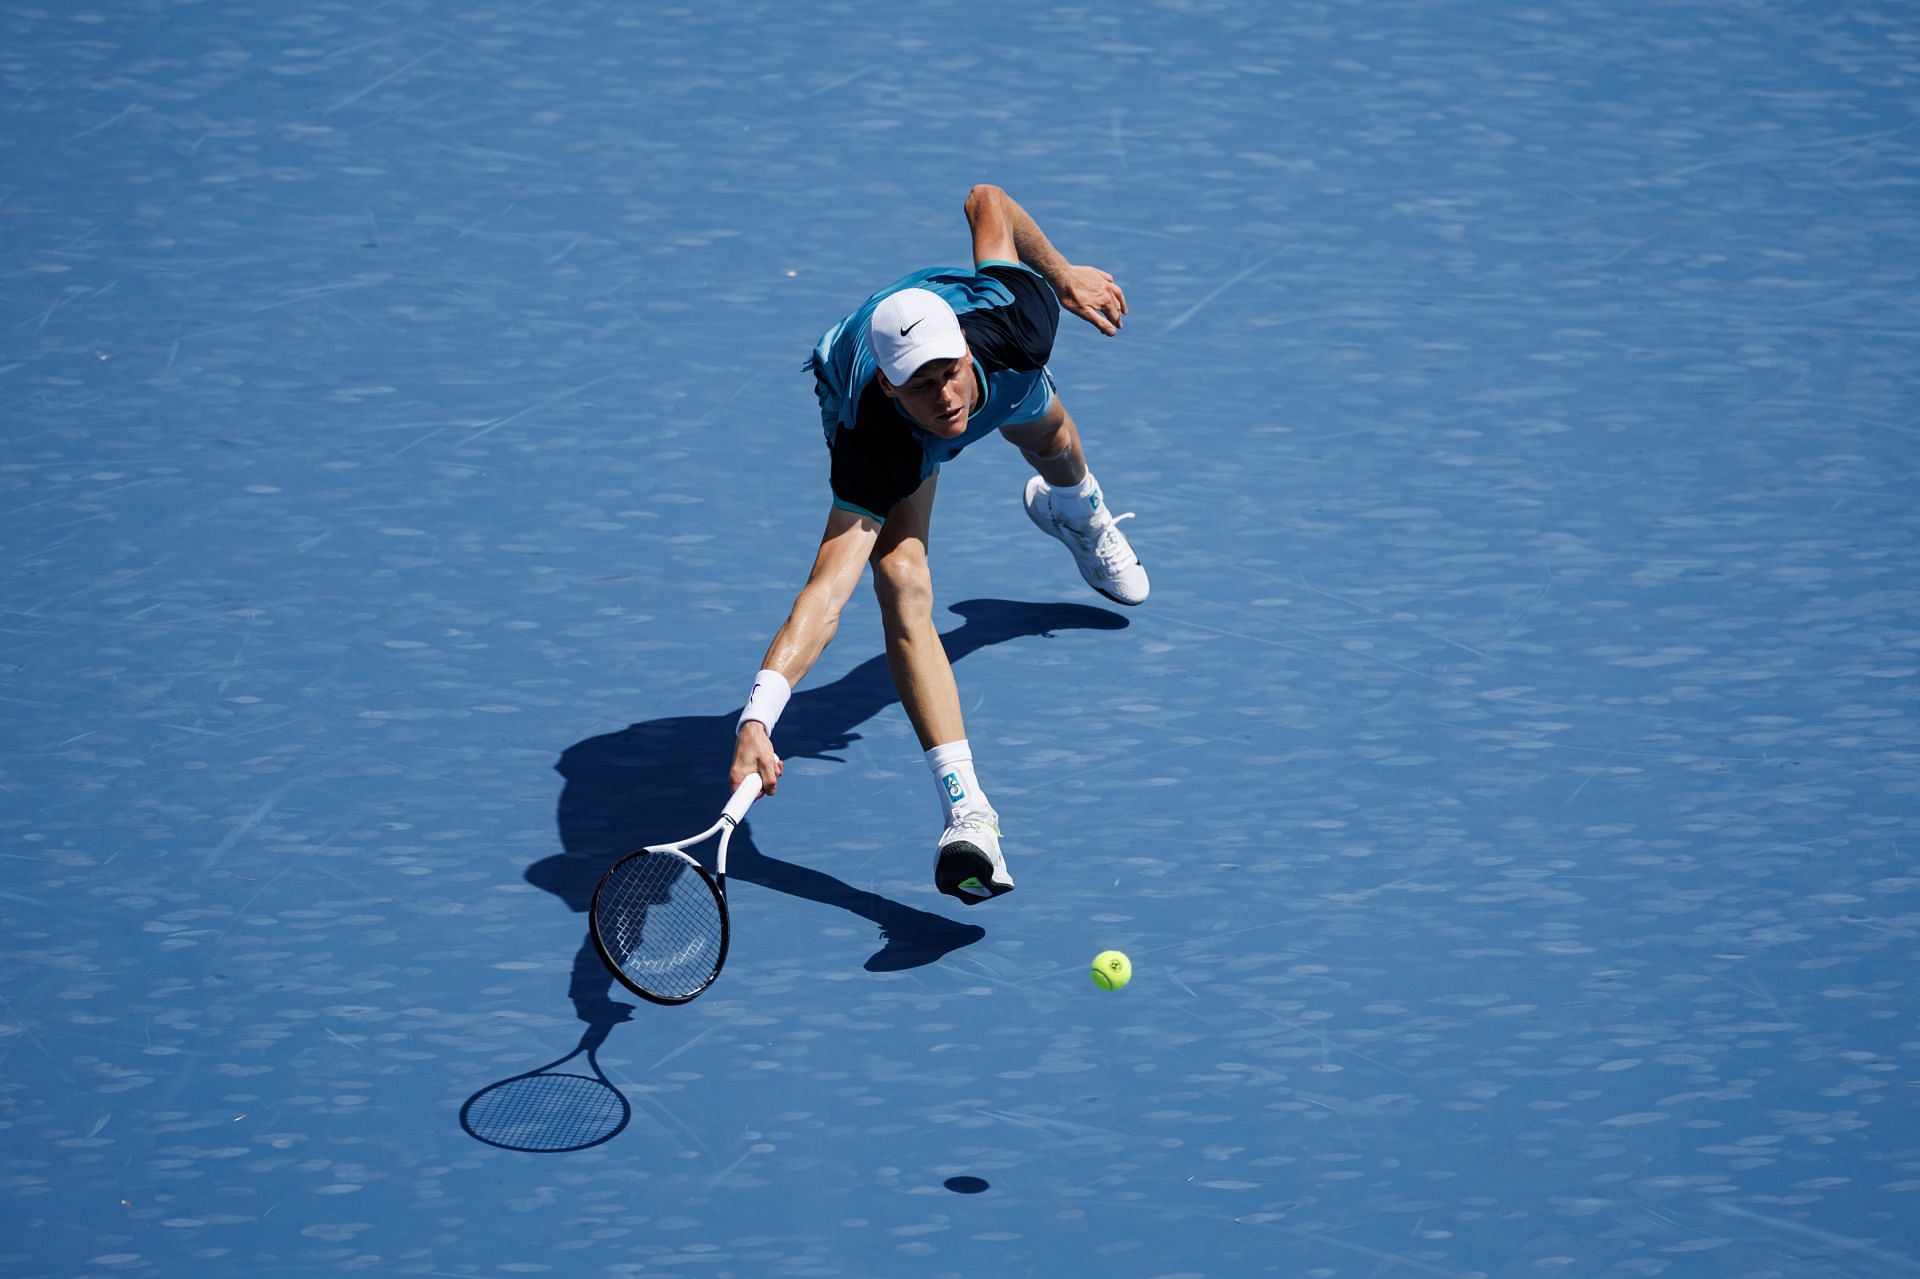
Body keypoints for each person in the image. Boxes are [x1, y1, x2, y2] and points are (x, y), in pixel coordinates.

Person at [727, 183, 1147, 905]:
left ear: (962, 347)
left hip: (1000, 364)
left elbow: (987, 201)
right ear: (893, 393)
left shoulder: (1018, 321)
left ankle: (1076, 513)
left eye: (948, 373)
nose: (945, 397)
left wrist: (1062, 269)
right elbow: (826, 593)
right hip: (873, 410)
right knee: (900, 579)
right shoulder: (877, 435)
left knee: (1050, 435)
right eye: (921, 387)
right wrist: (758, 717)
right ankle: (969, 814)